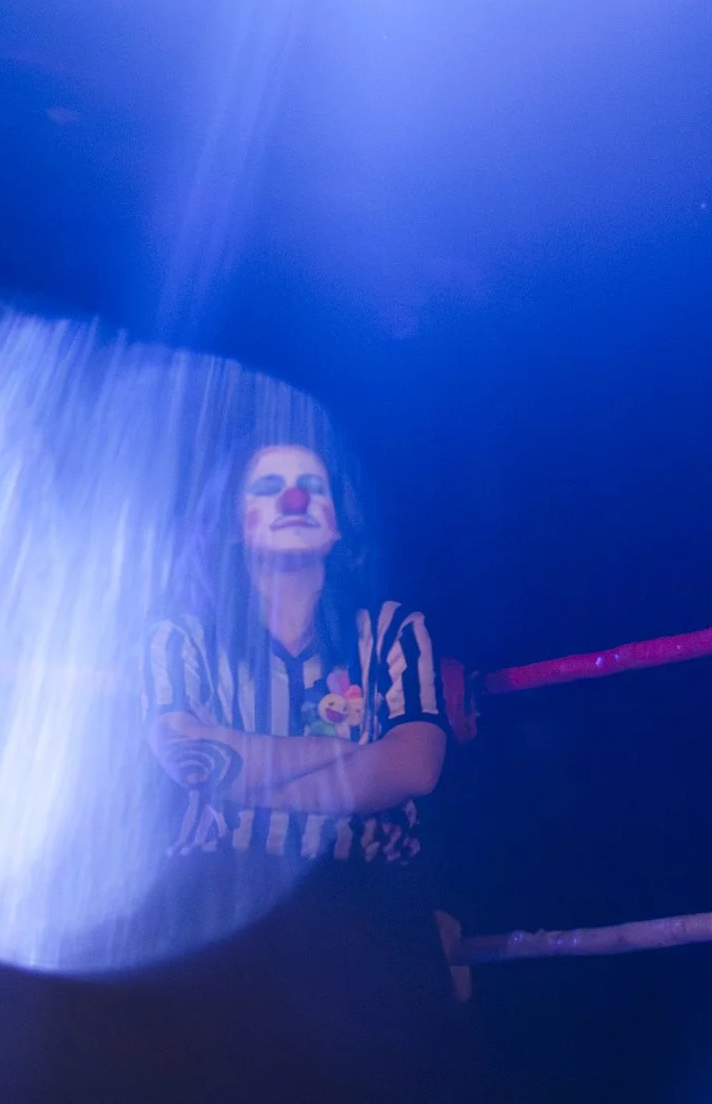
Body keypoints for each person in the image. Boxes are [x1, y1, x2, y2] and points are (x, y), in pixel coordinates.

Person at [142, 439, 467, 1099]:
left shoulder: (392, 631)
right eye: (269, 487)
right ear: (236, 520)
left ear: (339, 519)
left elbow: (413, 766)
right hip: (222, 897)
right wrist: (348, 752)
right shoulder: (183, 637)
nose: (293, 499)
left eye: (311, 486)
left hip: (366, 900)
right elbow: (192, 762)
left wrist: (246, 766)